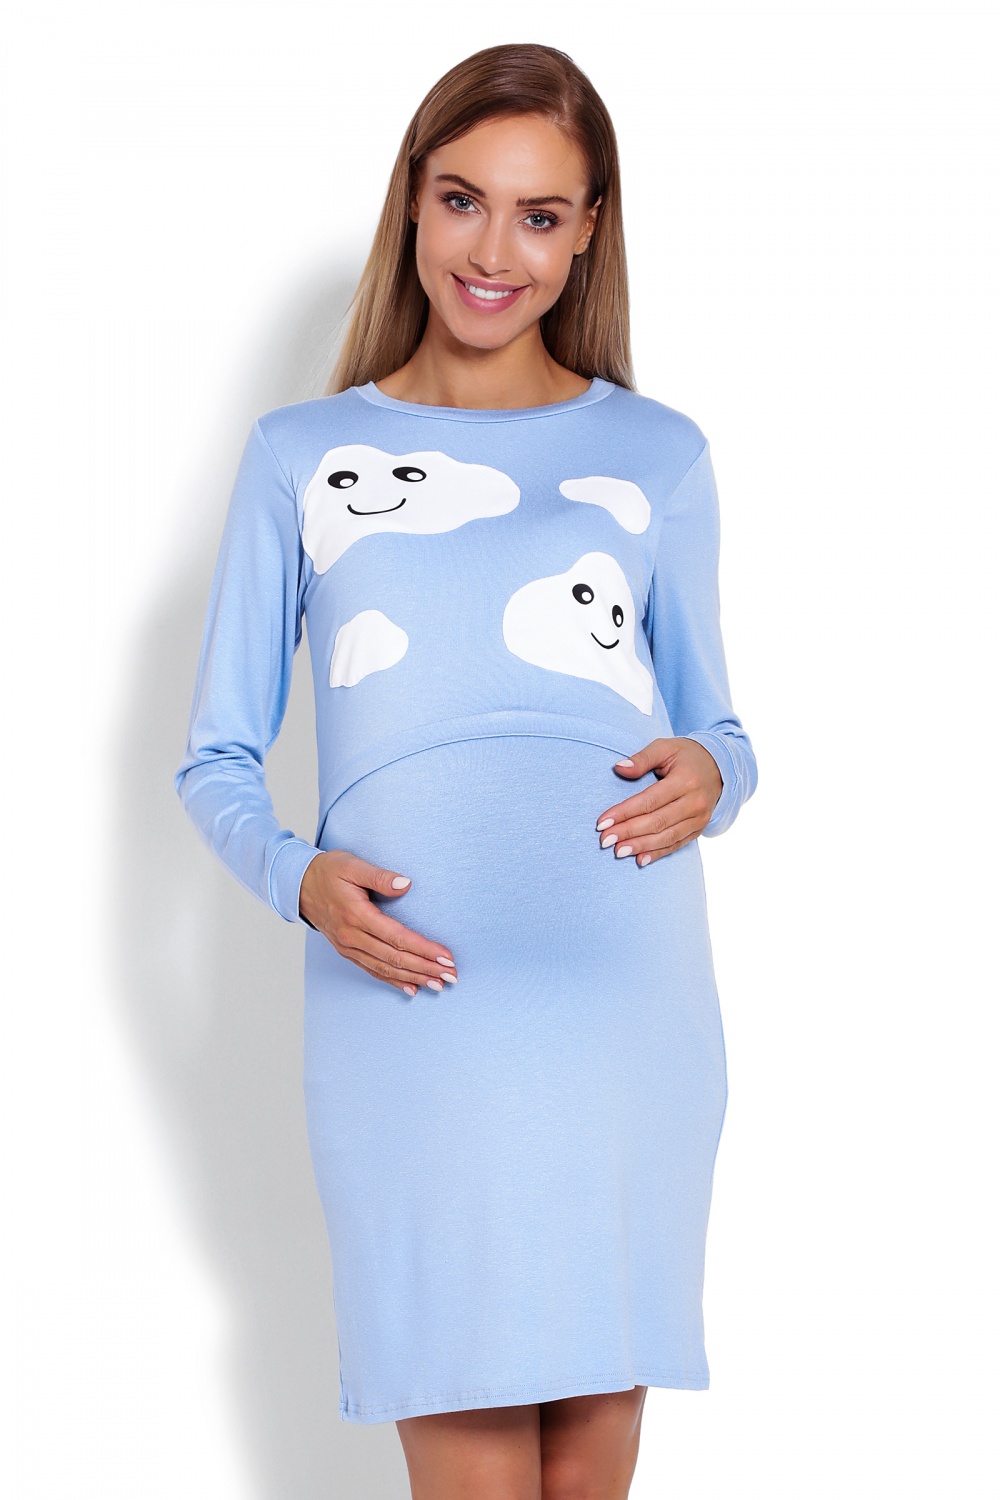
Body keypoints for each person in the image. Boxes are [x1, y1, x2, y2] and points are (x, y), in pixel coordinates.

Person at [174, 40, 758, 1500]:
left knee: (589, 1471)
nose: (495, 253)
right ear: (412, 203)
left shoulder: (658, 453)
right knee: (476, 1466)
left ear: (589, 230)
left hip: (622, 1006)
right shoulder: (303, 454)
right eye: (463, 200)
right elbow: (217, 757)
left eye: (540, 214)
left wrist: (715, 774)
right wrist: (298, 878)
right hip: (414, 1009)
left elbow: (722, 733)